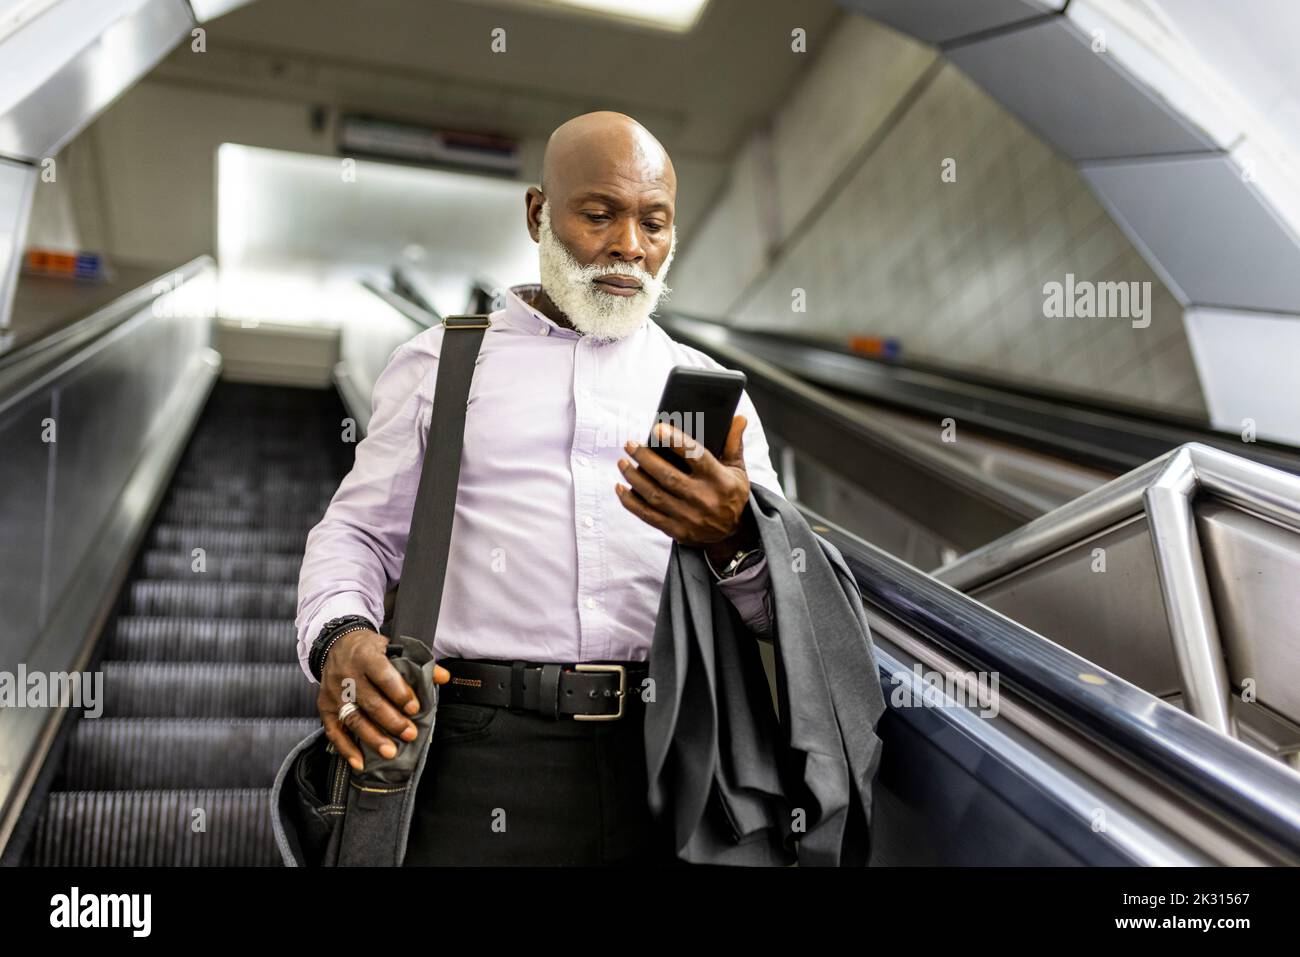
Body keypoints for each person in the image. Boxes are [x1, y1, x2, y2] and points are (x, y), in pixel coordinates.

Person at [295, 110, 787, 865]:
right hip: (475, 752)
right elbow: (357, 534)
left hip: (666, 757)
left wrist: (734, 538)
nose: (629, 246)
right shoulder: (444, 366)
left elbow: (772, 613)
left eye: (654, 224)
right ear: (537, 213)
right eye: (600, 214)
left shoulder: (705, 391)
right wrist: (340, 636)